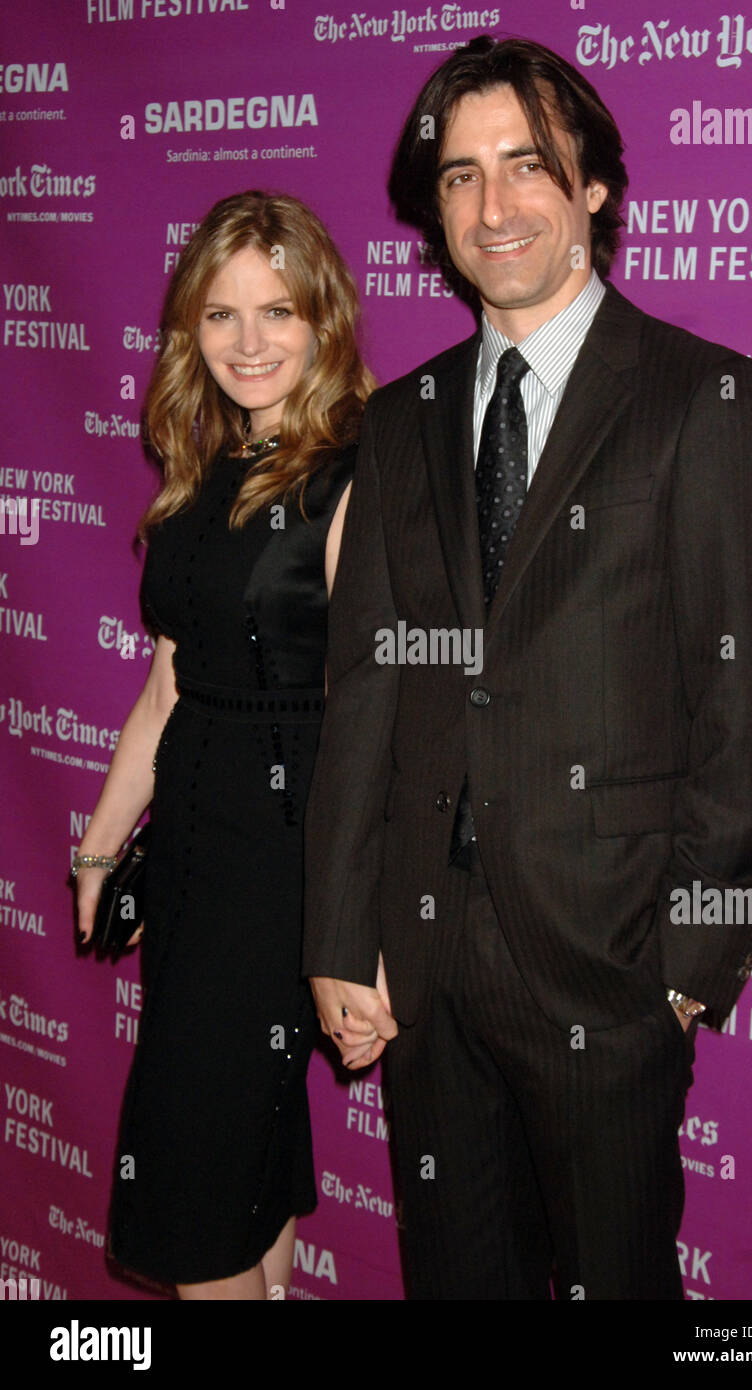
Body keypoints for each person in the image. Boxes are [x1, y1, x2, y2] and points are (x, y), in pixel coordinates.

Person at [302, 37, 752, 1300]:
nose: (493, 205)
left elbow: (745, 707)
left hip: (614, 965)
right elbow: (367, 688)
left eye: (527, 165)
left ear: (593, 189)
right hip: (425, 964)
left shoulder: (706, 399)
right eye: (460, 175)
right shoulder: (399, 419)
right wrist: (341, 930)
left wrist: (687, 976)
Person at [74, 190, 370, 1299]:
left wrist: (354, 920)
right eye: (220, 315)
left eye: (277, 312)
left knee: (194, 1174)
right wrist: (101, 846)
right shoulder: (197, 474)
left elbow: (374, 713)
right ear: (188, 329)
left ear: (324, 320)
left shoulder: (354, 475)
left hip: (284, 855)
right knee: (241, 1143)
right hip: (196, 850)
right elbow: (166, 686)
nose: (249, 343)